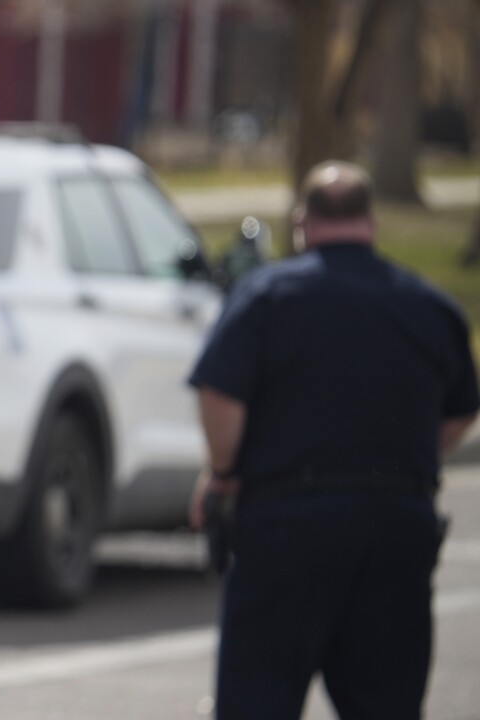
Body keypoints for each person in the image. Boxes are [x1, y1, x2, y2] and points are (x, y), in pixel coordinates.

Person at [187, 160, 479, 719]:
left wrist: (223, 472)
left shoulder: (267, 296)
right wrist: (401, 458)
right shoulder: (431, 306)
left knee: (258, 703)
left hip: (288, 526)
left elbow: (219, 394)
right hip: (397, 526)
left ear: (303, 222)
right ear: (370, 221)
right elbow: (461, 412)